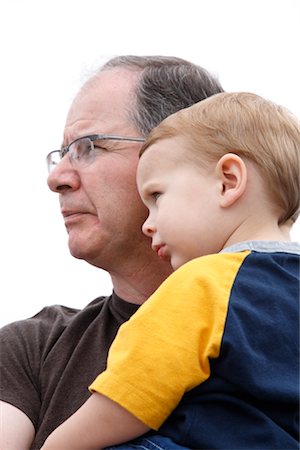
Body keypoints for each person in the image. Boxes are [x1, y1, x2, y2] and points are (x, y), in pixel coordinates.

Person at [41, 92, 300, 450]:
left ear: (227, 181)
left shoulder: (205, 283)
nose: (149, 225)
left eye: (157, 197)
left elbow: (129, 396)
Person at [0, 55, 224, 449]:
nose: (57, 178)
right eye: (62, 153)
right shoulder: (31, 349)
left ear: (187, 160)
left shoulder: (284, 330)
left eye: (88, 147)